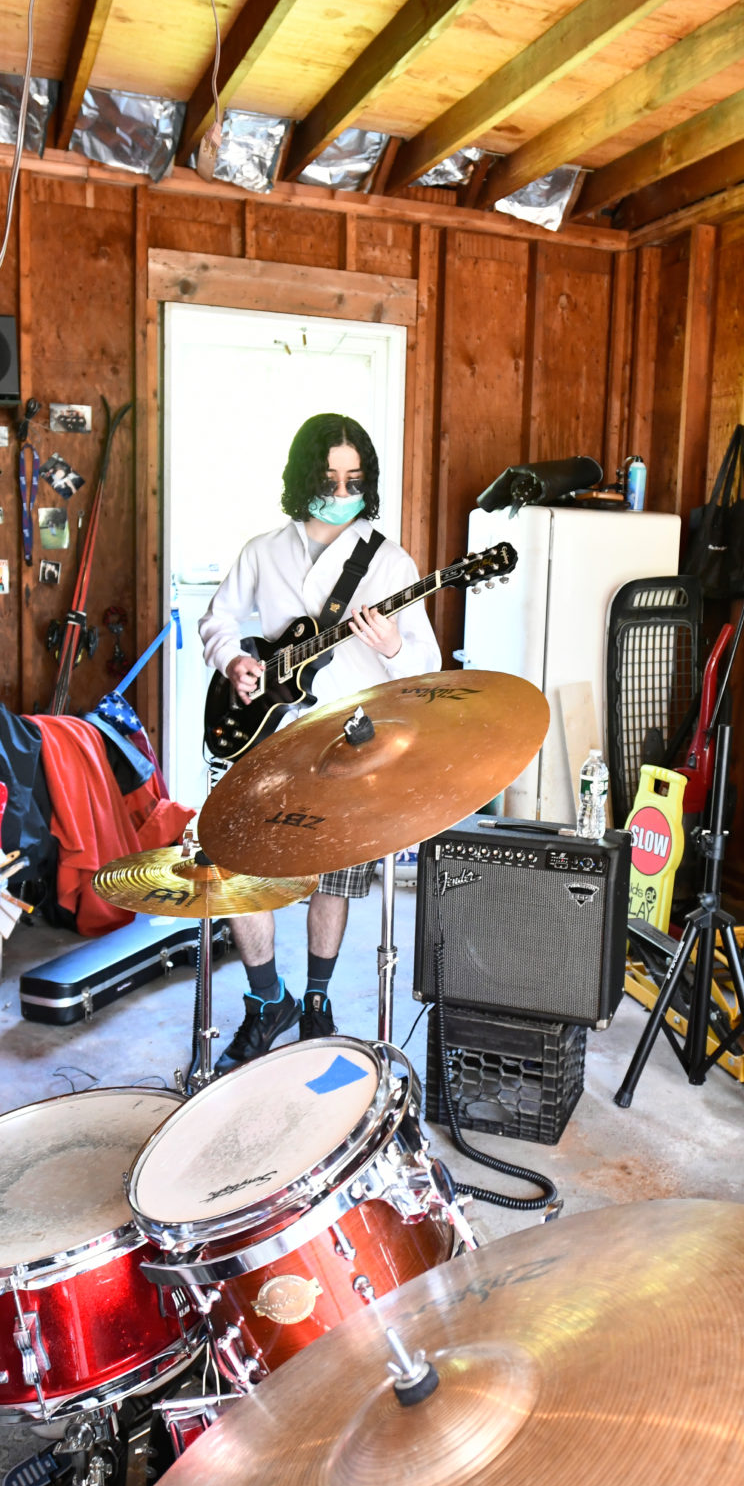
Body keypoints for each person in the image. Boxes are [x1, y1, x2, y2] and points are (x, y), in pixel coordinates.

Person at [199, 413, 441, 1068]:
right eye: (329, 477)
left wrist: (393, 644)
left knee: (333, 879)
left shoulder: (389, 562)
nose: (340, 489)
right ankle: (265, 996)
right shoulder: (263, 551)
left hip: (351, 739)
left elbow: (427, 663)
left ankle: (315, 997)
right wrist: (234, 663)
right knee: (238, 866)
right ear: (304, 477)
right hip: (272, 737)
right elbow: (218, 621)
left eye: (353, 478)